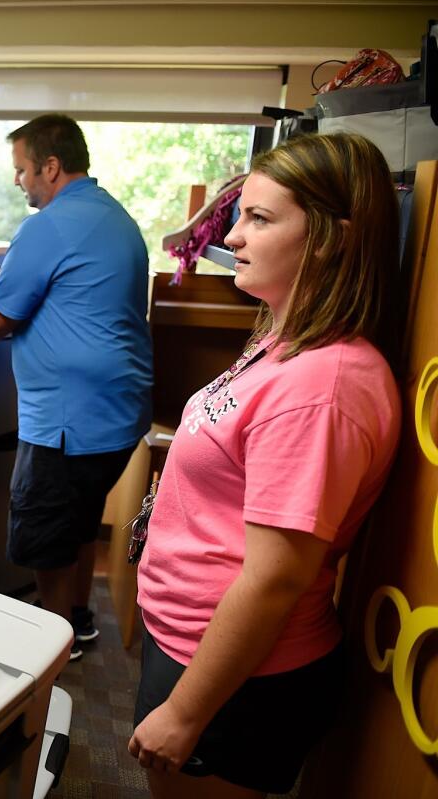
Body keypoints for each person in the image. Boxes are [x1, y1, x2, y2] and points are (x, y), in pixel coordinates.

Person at [128, 132, 402, 799]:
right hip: (196, 646)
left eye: (259, 218)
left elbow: (276, 579)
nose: (235, 236)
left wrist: (187, 711)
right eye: (238, 215)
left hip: (237, 680)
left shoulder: (325, 385)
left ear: (333, 238)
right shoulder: (283, 340)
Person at [0, 114, 153, 661]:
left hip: (69, 419)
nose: (18, 181)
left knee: (44, 537)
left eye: (22, 169)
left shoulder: (48, 225)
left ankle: (55, 646)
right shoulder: (115, 217)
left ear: (50, 167)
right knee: (77, 522)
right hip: (121, 413)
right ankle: (79, 620)